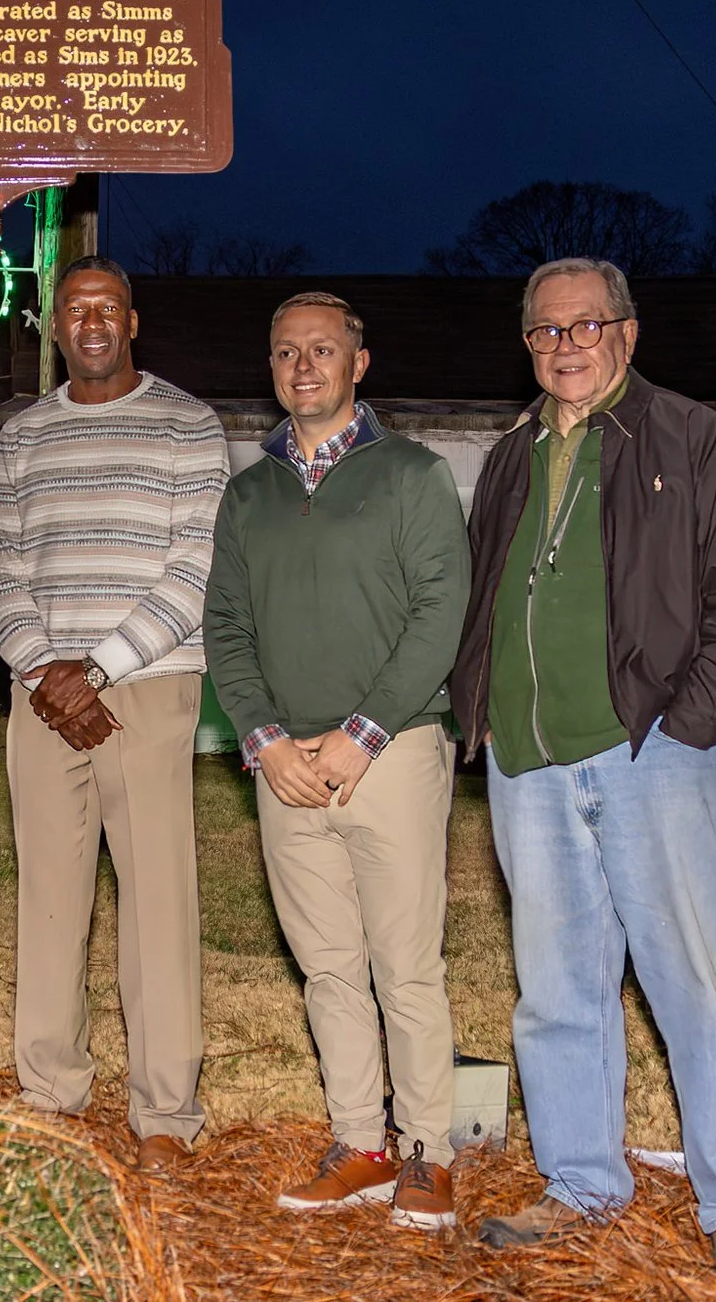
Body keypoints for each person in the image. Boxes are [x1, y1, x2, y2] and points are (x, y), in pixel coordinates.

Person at [449, 257, 716, 1274]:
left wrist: (688, 725)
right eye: (546, 331)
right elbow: (484, 595)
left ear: (628, 333)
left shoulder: (694, 439)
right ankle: (581, 1183)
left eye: (586, 325)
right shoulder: (509, 456)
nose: (566, 345)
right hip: (529, 760)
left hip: (652, 751)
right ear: (528, 344)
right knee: (557, 988)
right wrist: (484, 710)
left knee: (692, 979)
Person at [203, 291, 471, 1234]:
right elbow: (225, 626)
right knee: (327, 968)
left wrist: (365, 731)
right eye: (286, 352)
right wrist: (263, 736)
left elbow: (440, 611)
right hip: (286, 761)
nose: (303, 365)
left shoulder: (412, 474)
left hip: (390, 748)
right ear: (271, 369)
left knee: (406, 965)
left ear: (360, 363)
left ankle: (428, 1151)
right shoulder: (250, 494)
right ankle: (360, 1142)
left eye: (322, 349)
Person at [0, 256, 228, 1173]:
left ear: (133, 322)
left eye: (108, 308)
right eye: (75, 309)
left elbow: (195, 569)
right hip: (42, 690)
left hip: (148, 683)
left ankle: (164, 1110)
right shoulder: (23, 434)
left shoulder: (188, 423)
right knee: (49, 898)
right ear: (55, 327)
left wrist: (97, 669)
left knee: (158, 899)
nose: (91, 322)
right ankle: (50, 1091)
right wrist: (42, 667)